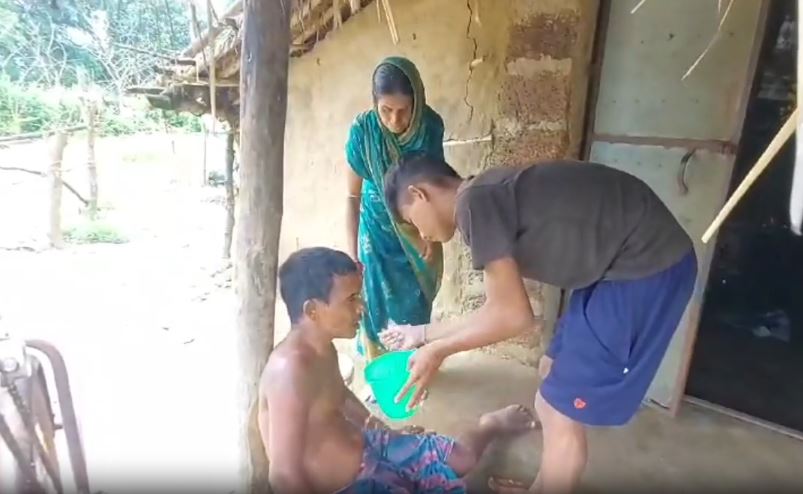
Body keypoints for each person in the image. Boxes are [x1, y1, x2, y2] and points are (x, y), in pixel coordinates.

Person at [380, 155, 698, 494]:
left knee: (558, 410)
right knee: (550, 369)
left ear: (419, 194)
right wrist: (423, 335)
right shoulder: (483, 194)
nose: (422, 234)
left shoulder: (474, 203)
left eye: (412, 221)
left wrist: (437, 350)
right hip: (613, 268)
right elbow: (498, 309)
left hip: (644, 265)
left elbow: (513, 316)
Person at [259, 246, 536, 494]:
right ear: (312, 311)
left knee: (462, 459)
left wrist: (383, 429)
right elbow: (284, 475)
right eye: (351, 299)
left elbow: (339, 395)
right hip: (351, 485)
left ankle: (489, 425)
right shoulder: (288, 371)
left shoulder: (323, 347)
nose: (362, 308)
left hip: (373, 446)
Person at [345, 56, 446, 360]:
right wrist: (351, 253)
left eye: (404, 111)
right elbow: (352, 198)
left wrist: (429, 235)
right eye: (386, 110)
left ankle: (415, 364)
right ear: (374, 102)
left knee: (415, 303)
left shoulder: (430, 126)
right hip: (375, 234)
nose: (394, 121)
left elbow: (435, 185)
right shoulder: (364, 131)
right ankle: (381, 368)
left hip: (420, 230)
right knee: (375, 304)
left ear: (417, 101)